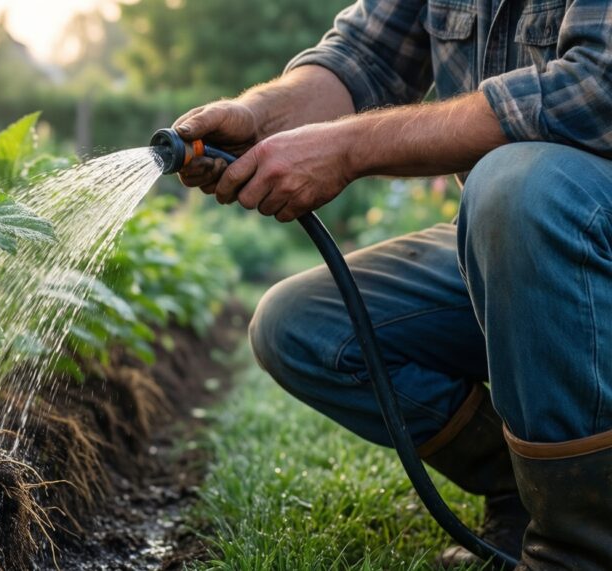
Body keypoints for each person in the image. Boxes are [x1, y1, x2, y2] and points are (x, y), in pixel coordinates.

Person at [172, 0, 612, 568]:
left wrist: (347, 147)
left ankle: (582, 548)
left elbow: (595, 91)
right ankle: (533, 495)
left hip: (564, 225)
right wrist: (255, 116)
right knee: (302, 326)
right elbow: (362, 56)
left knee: (518, 188)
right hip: (515, 243)